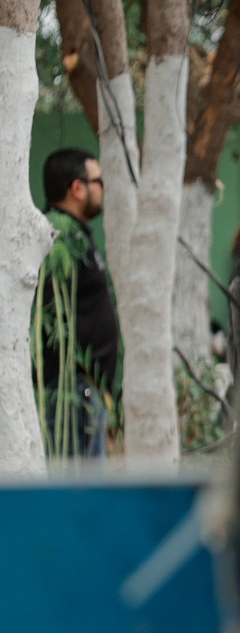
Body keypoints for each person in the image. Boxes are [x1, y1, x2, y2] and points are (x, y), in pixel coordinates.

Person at [33, 148, 119, 458]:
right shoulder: (59, 236)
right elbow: (49, 315)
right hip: (69, 397)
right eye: (100, 181)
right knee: (77, 485)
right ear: (78, 188)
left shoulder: (76, 235)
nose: (104, 188)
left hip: (86, 395)